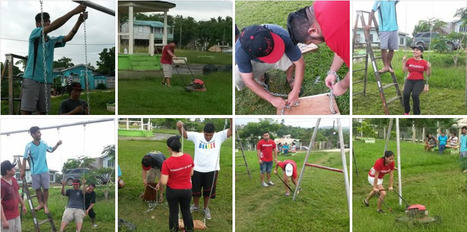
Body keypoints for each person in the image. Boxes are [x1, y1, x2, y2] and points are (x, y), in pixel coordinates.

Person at [21, 5, 88, 114]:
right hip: (32, 78)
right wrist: (74, 11)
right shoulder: (35, 34)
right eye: (46, 21)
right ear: (38, 24)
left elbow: (68, 37)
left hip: (46, 81)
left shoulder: (51, 41)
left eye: (49, 21)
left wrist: (79, 21)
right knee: (27, 111)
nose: (49, 23)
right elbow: (54, 26)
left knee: (44, 112)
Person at [235, 24, 305, 110]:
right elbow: (248, 80)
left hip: (280, 53)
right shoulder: (240, 51)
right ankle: (261, 77)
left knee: (293, 58)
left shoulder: (281, 34)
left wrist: (296, 90)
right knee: (237, 76)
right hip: (256, 62)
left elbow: (299, 62)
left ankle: (289, 78)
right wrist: (271, 99)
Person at [287, 1, 350, 96]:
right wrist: (332, 71)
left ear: (313, 31)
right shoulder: (320, 3)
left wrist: (342, 86)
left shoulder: (333, 35)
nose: (315, 44)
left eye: (311, 42)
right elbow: (341, 46)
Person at [177, 119, 232, 220]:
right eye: (206, 135)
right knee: (195, 191)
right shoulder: (197, 136)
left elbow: (231, 131)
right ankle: (195, 206)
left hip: (212, 170)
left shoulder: (219, 136)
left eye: (210, 135)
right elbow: (184, 134)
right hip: (197, 169)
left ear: (214, 133)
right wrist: (179, 127)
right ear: (203, 132)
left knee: (208, 191)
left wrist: (231, 118)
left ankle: (206, 208)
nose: (208, 137)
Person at [21, 126, 62, 214]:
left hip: (44, 170)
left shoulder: (43, 143)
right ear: (33, 134)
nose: (40, 134)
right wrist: (22, 171)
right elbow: (24, 158)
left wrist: (57, 145)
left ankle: (45, 205)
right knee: (37, 189)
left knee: (46, 189)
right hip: (35, 171)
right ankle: (40, 204)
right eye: (38, 133)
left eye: (40, 132)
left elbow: (51, 150)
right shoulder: (29, 146)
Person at [161, 135, 194, 232]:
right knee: (186, 211)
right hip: (187, 190)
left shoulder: (167, 162)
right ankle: (189, 230)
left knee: (174, 212)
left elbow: (164, 181)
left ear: (169, 148)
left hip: (173, 191)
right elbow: (191, 173)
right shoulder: (188, 157)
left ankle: (173, 230)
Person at [365, 0, 399, 74]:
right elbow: (372, 12)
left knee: (392, 49)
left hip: (394, 28)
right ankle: (385, 66)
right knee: (383, 48)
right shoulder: (379, 1)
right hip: (384, 29)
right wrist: (369, 24)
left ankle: (388, 66)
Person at [402, 45, 431, 115]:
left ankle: (417, 113)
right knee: (405, 94)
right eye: (414, 50)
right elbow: (404, 71)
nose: (415, 51)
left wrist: (429, 68)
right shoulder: (409, 60)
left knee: (415, 95)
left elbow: (428, 74)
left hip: (419, 81)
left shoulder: (424, 62)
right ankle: (407, 110)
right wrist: (403, 61)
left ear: (421, 53)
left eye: (417, 50)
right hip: (409, 80)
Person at [1, 160, 27, 232]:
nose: (14, 169)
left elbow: (17, 194)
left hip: (16, 214)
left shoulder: (14, 180)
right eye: (12, 168)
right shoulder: (1, 184)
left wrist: (23, 205)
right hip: (7, 217)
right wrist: (3, 220)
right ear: (7, 171)